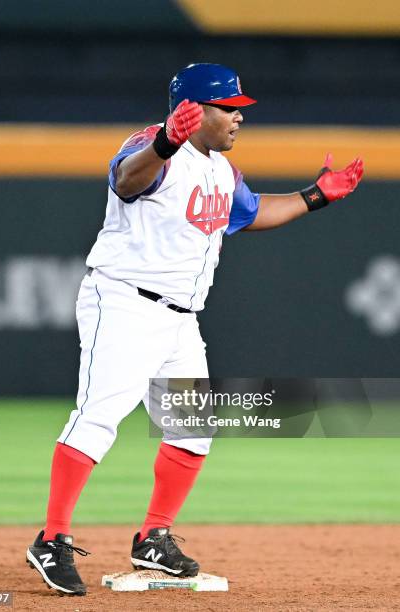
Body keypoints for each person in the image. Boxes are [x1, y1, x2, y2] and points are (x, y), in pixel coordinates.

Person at [25, 63, 364, 596]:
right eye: (229, 108)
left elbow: (251, 214)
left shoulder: (220, 171)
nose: (238, 118)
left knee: (192, 428)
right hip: (124, 303)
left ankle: (154, 537)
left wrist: (316, 195)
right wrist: (164, 141)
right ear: (195, 110)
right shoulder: (152, 149)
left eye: (239, 109)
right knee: (98, 419)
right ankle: (52, 538)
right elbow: (125, 180)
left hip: (181, 318)